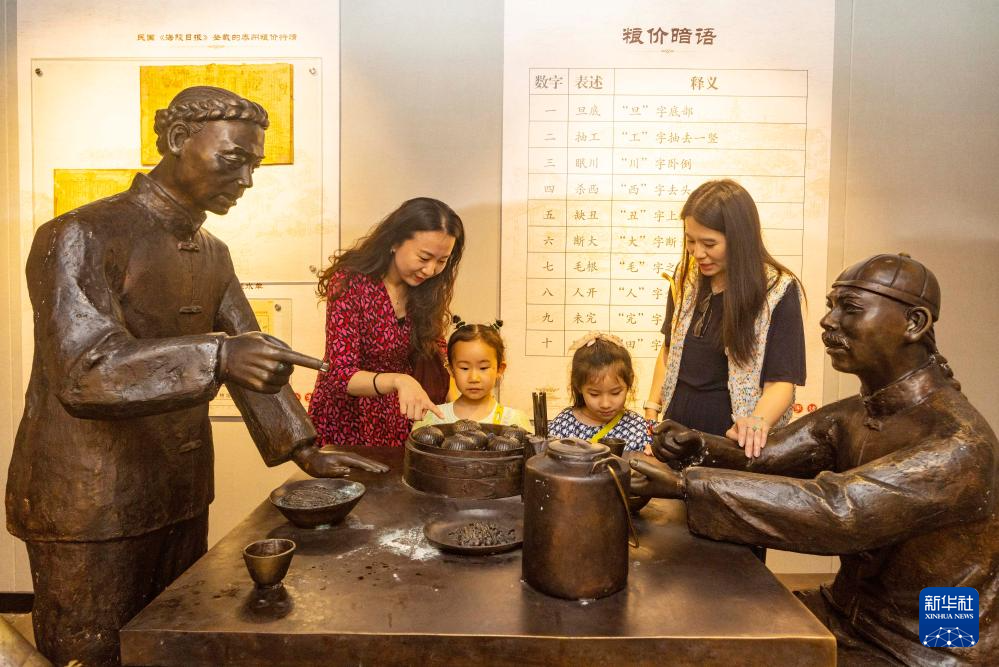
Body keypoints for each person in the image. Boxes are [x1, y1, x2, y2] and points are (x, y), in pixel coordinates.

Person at [5, 86, 386, 667]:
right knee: (95, 654)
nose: (246, 180)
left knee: (174, 644)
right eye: (234, 159)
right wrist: (218, 356)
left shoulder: (214, 252)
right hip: (91, 500)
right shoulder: (81, 233)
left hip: (179, 490)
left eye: (254, 165)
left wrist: (305, 450)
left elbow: (253, 353)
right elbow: (84, 371)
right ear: (179, 139)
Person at [630, 253, 998, 666]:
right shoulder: (859, 412)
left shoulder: (958, 443)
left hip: (930, 645)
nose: (828, 321)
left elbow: (839, 511)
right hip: (847, 615)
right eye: (831, 306)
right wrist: (697, 447)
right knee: (702, 629)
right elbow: (770, 455)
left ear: (914, 323)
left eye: (850, 309)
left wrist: (685, 486)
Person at [644, 179, 805, 459]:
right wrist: (651, 409)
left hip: (731, 439)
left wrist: (757, 422)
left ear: (740, 238)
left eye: (709, 243)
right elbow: (669, 349)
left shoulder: (776, 289)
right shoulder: (685, 277)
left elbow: (782, 380)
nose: (698, 253)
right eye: (690, 241)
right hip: (676, 431)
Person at [308, 197, 464, 447]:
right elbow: (341, 374)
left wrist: (456, 403)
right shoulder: (350, 283)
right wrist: (399, 380)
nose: (430, 270)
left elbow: (435, 350)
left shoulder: (426, 291)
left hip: (396, 418)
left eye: (442, 261)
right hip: (346, 419)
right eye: (424, 257)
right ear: (394, 241)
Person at [412, 317, 532, 429]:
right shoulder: (433, 418)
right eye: (464, 368)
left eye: (483, 368)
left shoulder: (513, 421)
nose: (474, 378)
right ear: (451, 370)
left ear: (500, 369)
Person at [547, 333, 653, 453]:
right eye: (594, 394)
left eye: (615, 393)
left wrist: (654, 453)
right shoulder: (563, 425)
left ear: (630, 381)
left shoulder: (638, 429)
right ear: (578, 385)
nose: (605, 404)